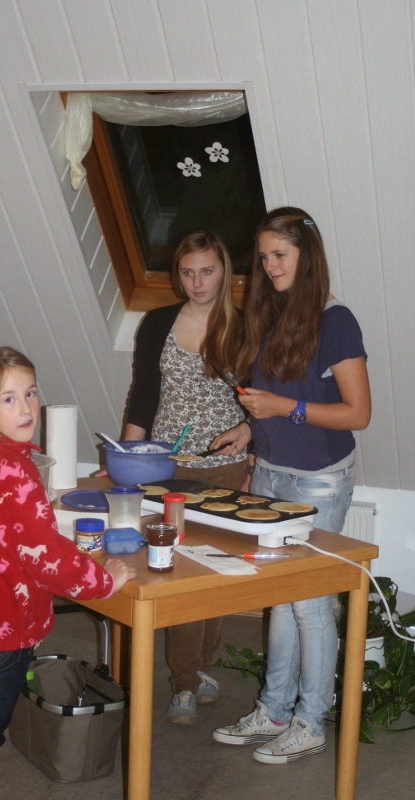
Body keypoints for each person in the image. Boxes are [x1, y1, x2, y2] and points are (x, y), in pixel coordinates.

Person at [0, 346, 137, 799]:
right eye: (9, 399)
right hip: (1, 634)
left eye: (30, 392)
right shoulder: (14, 469)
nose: (26, 407)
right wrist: (104, 580)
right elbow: (46, 556)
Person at [211, 207, 371, 763]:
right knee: (279, 599)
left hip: (319, 480)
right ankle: (275, 711)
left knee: (310, 604)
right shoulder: (273, 314)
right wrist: (248, 428)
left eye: (280, 255)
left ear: (308, 254)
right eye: (264, 258)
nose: (270, 266)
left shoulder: (336, 320)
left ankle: (311, 721)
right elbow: (275, 400)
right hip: (272, 472)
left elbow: (357, 413)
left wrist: (283, 408)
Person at [125, 231, 252, 724]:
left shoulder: (244, 327)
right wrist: (128, 459)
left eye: (207, 271)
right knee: (177, 569)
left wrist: (253, 466)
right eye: (187, 272)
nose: (197, 282)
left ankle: (196, 669)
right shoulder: (158, 323)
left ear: (224, 272)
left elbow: (256, 404)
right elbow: (143, 395)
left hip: (226, 469)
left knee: (214, 571)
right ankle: (184, 681)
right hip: (167, 468)